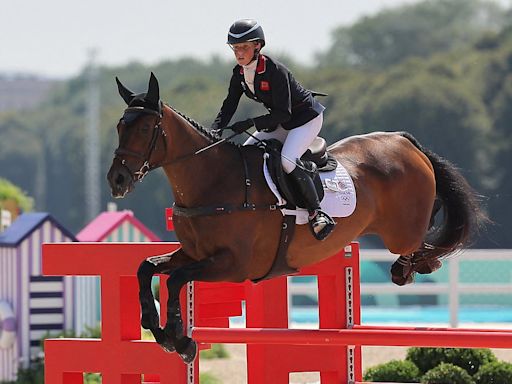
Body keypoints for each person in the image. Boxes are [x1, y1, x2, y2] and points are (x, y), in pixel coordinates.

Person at [211, 19, 335, 241]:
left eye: (244, 47)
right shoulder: (239, 74)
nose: (239, 53)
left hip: (305, 118)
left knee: (287, 161)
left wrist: (250, 123)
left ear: (257, 46)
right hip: (280, 120)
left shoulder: (274, 70)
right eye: (235, 48)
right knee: (246, 156)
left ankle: (317, 213)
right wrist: (214, 131)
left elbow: (284, 114)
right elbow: (229, 105)